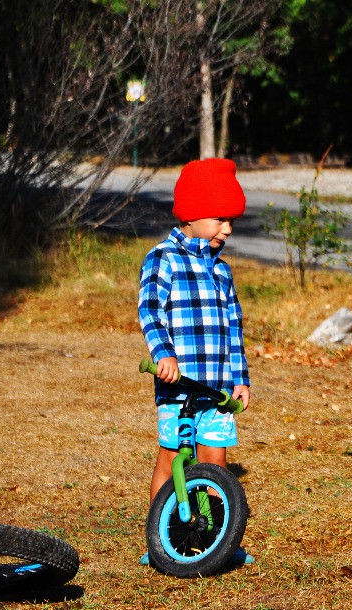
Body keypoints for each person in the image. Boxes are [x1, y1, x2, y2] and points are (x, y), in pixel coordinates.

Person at [137, 157, 253, 566]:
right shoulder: (163, 258)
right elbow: (150, 312)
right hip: (179, 387)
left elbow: (234, 328)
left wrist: (240, 379)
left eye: (232, 220)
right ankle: (158, 541)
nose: (228, 229)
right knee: (172, 459)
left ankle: (217, 540)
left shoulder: (221, 271)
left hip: (217, 390)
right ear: (192, 214)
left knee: (215, 464)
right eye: (221, 218)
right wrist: (163, 354)